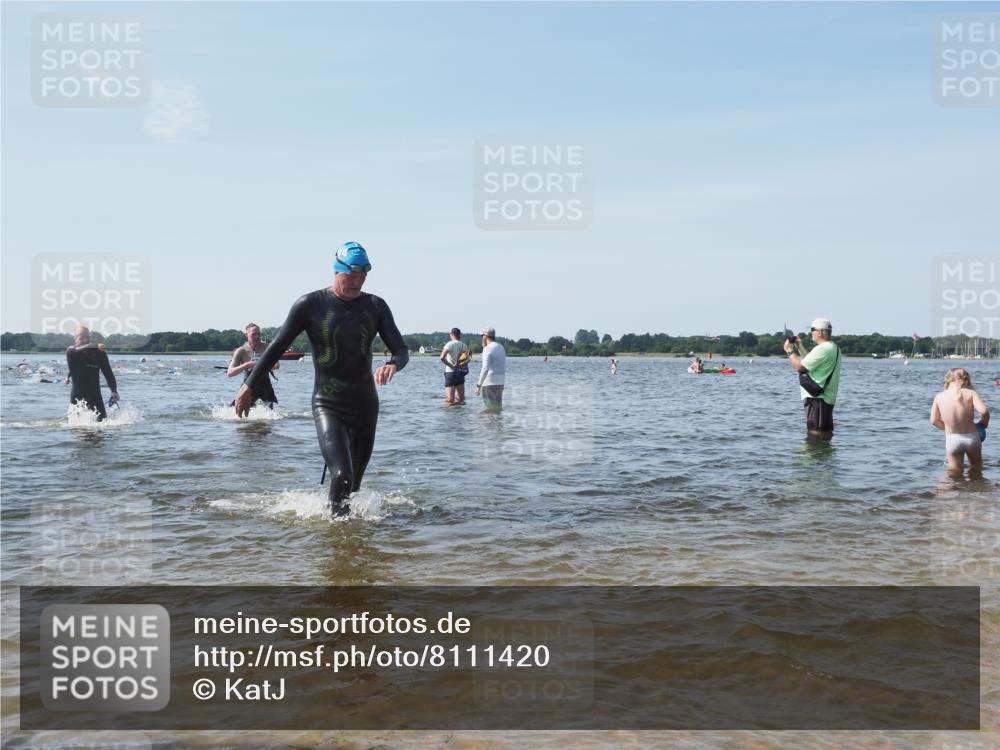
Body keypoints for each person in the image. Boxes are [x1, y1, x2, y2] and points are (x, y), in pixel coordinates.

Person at [235, 241, 408, 517]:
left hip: (365, 406)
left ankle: (346, 535)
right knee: (342, 474)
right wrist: (248, 385)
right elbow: (277, 347)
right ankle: (337, 544)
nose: (357, 282)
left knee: (354, 485)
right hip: (329, 404)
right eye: (351, 276)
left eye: (362, 277)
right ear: (336, 271)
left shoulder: (375, 306)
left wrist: (392, 364)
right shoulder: (310, 305)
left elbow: (401, 349)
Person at [784, 318, 842, 438]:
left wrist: (789, 350)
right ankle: (823, 455)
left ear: (820, 332)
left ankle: (815, 455)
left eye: (812, 330)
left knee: (815, 434)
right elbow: (810, 361)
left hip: (817, 399)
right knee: (824, 434)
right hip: (826, 399)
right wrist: (799, 346)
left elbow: (800, 367)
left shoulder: (823, 349)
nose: (811, 333)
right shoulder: (833, 348)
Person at [931, 368, 990, 471]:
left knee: (954, 473)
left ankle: (956, 487)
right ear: (966, 380)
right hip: (972, 438)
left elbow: (934, 421)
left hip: (953, 439)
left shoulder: (939, 396)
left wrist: (947, 427)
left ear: (948, 380)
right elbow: (984, 411)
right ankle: (978, 486)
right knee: (977, 469)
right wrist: (984, 423)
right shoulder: (970, 393)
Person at [65, 326, 119, 421]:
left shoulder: (99, 353)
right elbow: (74, 351)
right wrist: (91, 346)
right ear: (75, 339)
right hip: (77, 397)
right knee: (76, 427)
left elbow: (108, 372)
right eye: (81, 337)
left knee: (102, 423)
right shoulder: (71, 352)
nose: (84, 339)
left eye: (86, 337)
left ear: (90, 337)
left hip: (95, 395)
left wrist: (114, 391)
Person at [228, 322, 280, 408]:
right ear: (246, 335)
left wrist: (261, 365)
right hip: (248, 384)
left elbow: (277, 365)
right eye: (253, 334)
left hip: (265, 385)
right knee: (236, 410)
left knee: (269, 415)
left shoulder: (268, 348)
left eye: (259, 334)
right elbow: (230, 373)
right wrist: (246, 365)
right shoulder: (241, 351)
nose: (257, 337)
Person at [475, 326, 506, 411]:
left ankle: (489, 424)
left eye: (482, 336)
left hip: (489, 383)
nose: (481, 338)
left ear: (485, 336)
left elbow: (485, 368)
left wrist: (478, 385)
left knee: (489, 409)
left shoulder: (487, 348)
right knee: (497, 409)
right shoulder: (501, 347)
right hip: (500, 382)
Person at [439, 328, 471, 404]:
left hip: (451, 373)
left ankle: (451, 415)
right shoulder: (464, 345)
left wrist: (451, 366)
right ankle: (460, 415)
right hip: (460, 373)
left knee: (450, 400)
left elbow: (442, 357)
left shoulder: (449, 344)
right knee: (461, 399)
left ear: (452, 334)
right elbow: (468, 360)